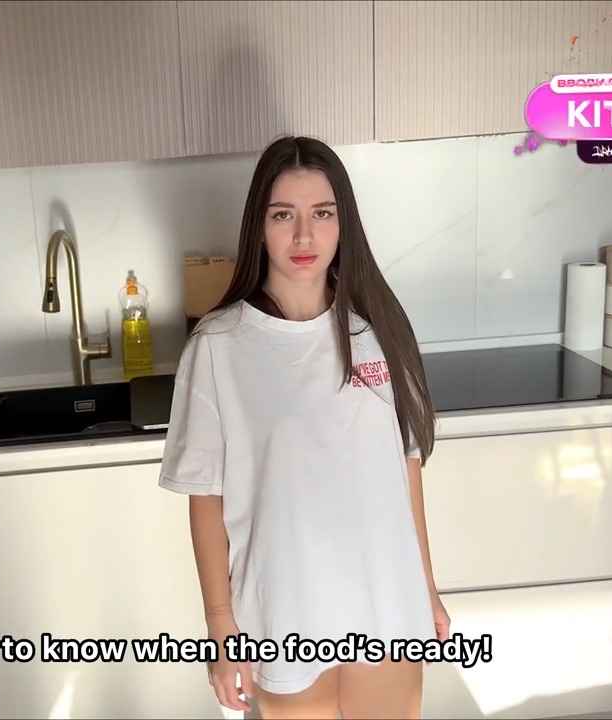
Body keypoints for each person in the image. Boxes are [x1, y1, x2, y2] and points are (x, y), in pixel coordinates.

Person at [158, 135, 450, 720]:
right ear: (259, 227)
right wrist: (221, 630)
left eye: (322, 213)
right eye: (282, 215)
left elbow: (406, 471)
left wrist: (427, 587)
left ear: (344, 224)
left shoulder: (380, 331)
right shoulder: (219, 346)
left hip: (386, 600)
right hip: (285, 609)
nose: (303, 236)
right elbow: (205, 498)